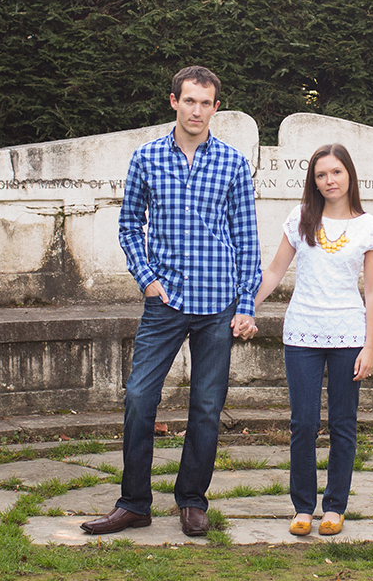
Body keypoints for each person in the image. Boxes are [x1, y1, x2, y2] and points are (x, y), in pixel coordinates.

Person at [82, 65, 262, 538]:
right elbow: (128, 226)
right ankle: (134, 503)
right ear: (174, 102)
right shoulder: (145, 159)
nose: (197, 110)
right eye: (190, 101)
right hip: (164, 302)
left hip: (218, 303)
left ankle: (192, 500)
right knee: (140, 397)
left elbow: (247, 239)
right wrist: (146, 280)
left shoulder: (233, 164)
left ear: (216, 108)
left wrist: (247, 305)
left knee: (206, 405)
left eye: (206, 103)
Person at [254, 143, 373, 536]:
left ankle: (335, 507)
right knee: (303, 423)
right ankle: (302, 507)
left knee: (343, 423)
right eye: (321, 174)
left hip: (348, 334)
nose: (330, 180)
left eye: (336, 172)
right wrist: (246, 306)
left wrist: (370, 345)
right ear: (314, 180)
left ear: (349, 175)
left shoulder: (369, 226)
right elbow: (275, 270)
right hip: (302, 333)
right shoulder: (300, 219)